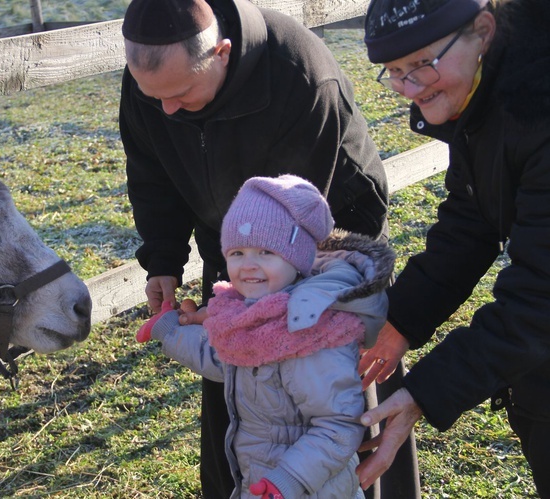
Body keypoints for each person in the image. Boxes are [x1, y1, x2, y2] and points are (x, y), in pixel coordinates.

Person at [118, 0, 420, 497]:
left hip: (321, 259)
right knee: (240, 408)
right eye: (155, 98)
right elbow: (152, 175)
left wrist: (256, 311)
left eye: (180, 93)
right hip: (238, 258)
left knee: (328, 406)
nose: (166, 108)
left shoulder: (299, 74)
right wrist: (164, 260)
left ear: (221, 52)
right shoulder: (154, 82)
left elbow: (305, 217)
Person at [357, 0, 550, 496]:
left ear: (483, 31)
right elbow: (472, 220)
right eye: (394, 71)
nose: (407, 86)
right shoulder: (489, 96)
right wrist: (398, 322)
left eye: (421, 63)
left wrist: (423, 392)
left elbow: (540, 303)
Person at [136, 175, 395, 499]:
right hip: (259, 485)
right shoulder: (252, 318)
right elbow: (220, 357)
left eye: (265, 251)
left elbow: (338, 428)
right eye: (237, 253)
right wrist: (170, 330)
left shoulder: (315, 335)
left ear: (299, 256)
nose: (248, 266)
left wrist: (286, 482)